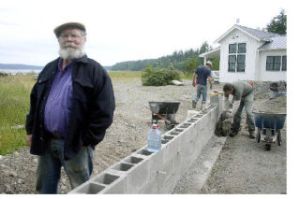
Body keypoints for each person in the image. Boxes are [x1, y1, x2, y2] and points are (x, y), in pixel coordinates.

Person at [25, 22, 115, 194]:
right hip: (45, 139)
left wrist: (86, 140)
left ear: (84, 39)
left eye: (74, 35)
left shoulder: (95, 71)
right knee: (44, 187)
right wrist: (31, 131)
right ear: (59, 41)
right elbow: (35, 101)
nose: (69, 40)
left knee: (81, 188)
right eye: (65, 36)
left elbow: (105, 111)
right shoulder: (49, 68)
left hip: (76, 143)